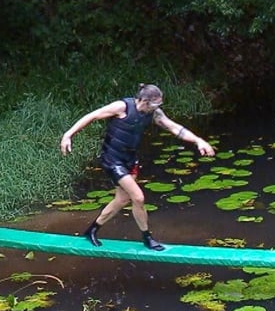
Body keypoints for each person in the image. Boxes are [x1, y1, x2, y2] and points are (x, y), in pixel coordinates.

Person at [59, 83, 215, 250]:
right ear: (144, 101)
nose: (156, 108)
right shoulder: (122, 107)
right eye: (154, 105)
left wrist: (198, 140)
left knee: (122, 199)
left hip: (130, 159)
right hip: (112, 159)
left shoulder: (154, 113)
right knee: (138, 197)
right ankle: (147, 237)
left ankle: (92, 230)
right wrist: (68, 135)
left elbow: (174, 128)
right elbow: (92, 116)